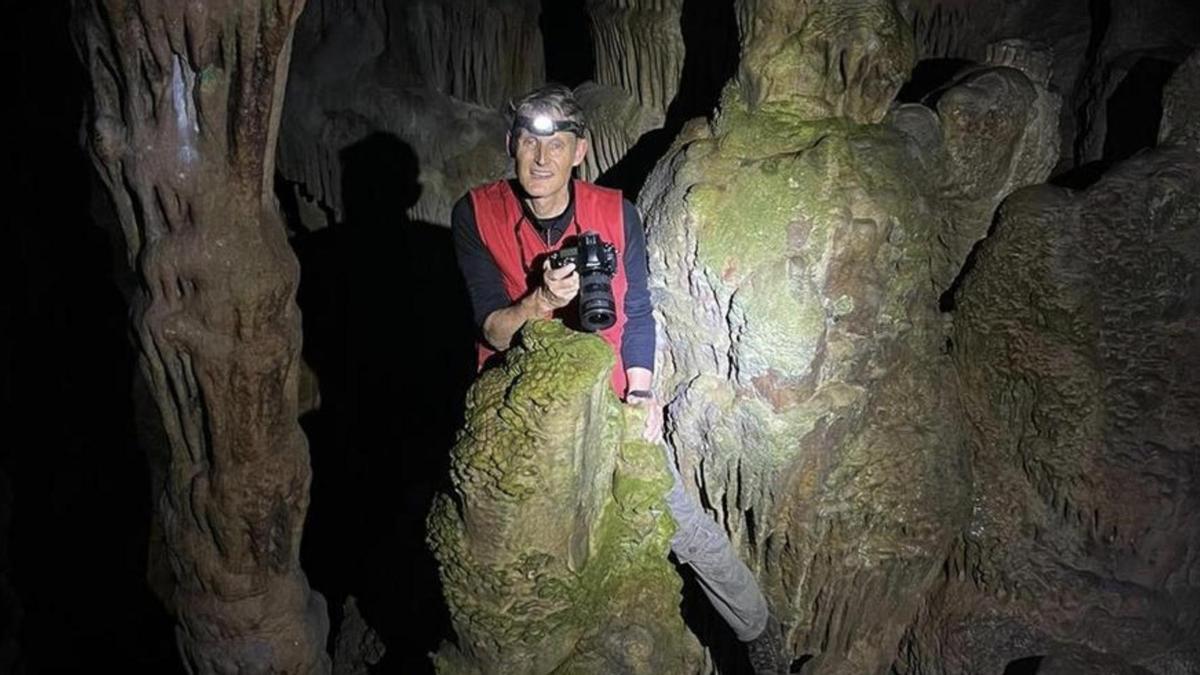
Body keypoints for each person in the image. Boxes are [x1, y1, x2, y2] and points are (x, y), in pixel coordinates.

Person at [450, 83, 786, 674]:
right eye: (529, 140)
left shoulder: (614, 212)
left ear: (580, 151)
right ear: (511, 145)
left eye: (557, 143)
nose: (541, 156)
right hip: (518, 409)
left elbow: (637, 314)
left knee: (680, 519)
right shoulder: (477, 214)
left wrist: (642, 390)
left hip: (609, 397)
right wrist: (539, 301)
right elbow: (491, 328)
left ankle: (756, 627)